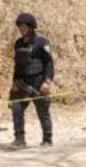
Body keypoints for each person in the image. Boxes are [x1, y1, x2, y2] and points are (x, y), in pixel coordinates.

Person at [10, 13, 54, 148]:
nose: (22, 28)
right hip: (22, 81)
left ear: (31, 26)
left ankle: (47, 139)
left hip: (38, 81)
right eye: (20, 26)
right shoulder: (18, 43)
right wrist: (14, 81)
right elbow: (17, 65)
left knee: (43, 111)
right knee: (16, 108)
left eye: (25, 26)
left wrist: (47, 81)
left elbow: (49, 63)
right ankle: (19, 139)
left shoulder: (42, 42)